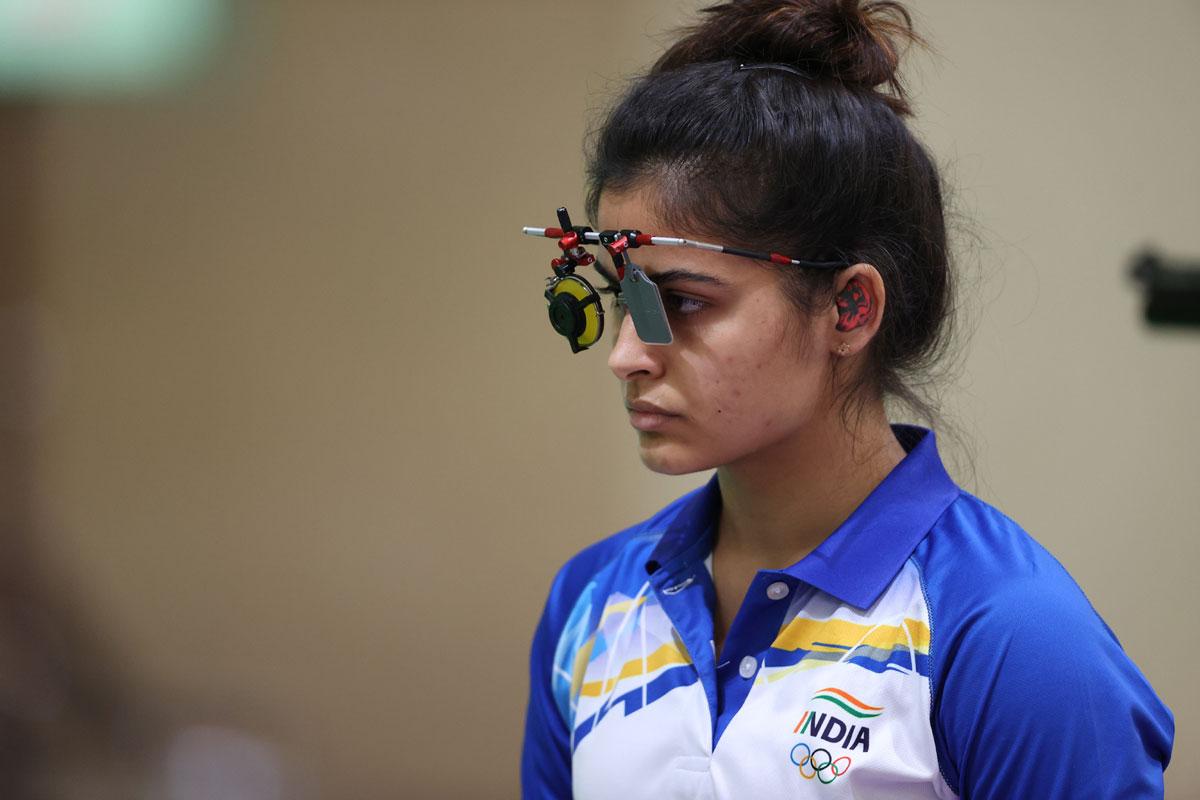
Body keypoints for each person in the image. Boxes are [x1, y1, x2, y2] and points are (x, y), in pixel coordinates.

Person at [520, 1, 1174, 797]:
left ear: (850, 309)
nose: (626, 356)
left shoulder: (1012, 640)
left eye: (683, 302)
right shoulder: (591, 605)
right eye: (626, 303)